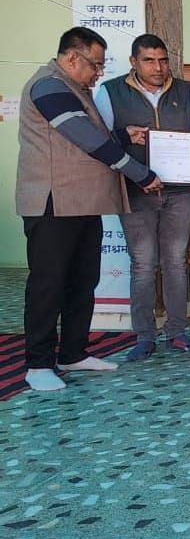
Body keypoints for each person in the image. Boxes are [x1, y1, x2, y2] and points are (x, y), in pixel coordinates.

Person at [16, 26, 162, 391]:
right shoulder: (49, 86)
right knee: (49, 284)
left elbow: (89, 135)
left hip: (82, 203)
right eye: (95, 65)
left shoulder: (74, 89)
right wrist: (141, 173)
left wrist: (123, 136)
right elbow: (86, 138)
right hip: (53, 204)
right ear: (71, 58)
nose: (98, 73)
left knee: (83, 281)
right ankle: (38, 364)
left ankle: (73, 353)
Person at [95, 34, 190, 360]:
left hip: (180, 192)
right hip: (136, 192)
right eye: (149, 60)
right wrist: (133, 163)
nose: (158, 67)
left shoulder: (184, 91)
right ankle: (144, 336)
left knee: (176, 262)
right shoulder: (110, 92)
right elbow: (101, 140)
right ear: (134, 62)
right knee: (143, 265)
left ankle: (177, 333)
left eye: (162, 60)